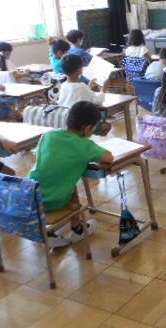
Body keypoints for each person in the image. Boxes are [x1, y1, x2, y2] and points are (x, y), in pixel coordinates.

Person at [29, 101, 113, 247]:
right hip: (52, 200)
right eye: (94, 128)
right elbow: (108, 158)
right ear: (87, 128)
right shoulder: (85, 146)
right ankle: (77, 229)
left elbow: (40, 156)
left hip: (29, 193)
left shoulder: (48, 135)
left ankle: (52, 230)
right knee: (70, 189)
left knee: (68, 186)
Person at [58, 55, 111, 135]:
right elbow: (99, 101)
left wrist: (88, 87)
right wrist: (104, 88)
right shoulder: (81, 86)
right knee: (107, 126)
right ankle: (89, 140)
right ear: (80, 70)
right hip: (81, 126)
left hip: (66, 123)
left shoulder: (63, 85)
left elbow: (76, 93)